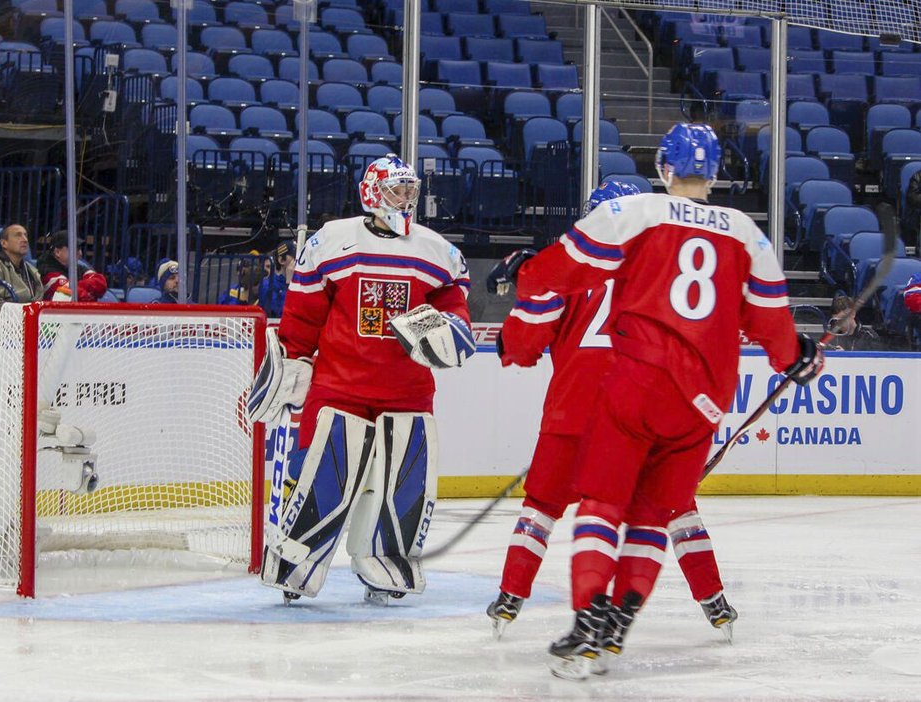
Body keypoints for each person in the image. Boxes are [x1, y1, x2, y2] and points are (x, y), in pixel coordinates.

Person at [501, 123, 823, 679]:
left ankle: (588, 618)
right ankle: (622, 618)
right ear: (717, 172)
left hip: (638, 384)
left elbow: (560, 270)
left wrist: (522, 273)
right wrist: (797, 355)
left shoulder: (643, 212)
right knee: (652, 516)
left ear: (663, 168)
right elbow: (772, 324)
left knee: (601, 503)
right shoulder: (747, 232)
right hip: (704, 401)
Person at [486, 181, 738, 643]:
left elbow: (523, 342)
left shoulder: (570, 273)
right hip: (642, 418)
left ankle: (510, 596)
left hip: (571, 415)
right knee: (674, 510)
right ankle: (714, 601)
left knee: (541, 508)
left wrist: (510, 333)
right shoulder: (665, 279)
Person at [246, 154, 474, 605]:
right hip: (340, 386)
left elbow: (455, 309)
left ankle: (387, 567)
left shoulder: (435, 250)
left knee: (403, 483)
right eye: (396, 190)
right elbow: (304, 310)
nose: (405, 199)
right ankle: (297, 563)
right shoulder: (334, 240)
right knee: (323, 474)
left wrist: (446, 330)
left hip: (407, 391)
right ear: (372, 193)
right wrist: (293, 358)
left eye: (410, 190)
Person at [0, 224, 44, 313]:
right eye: (18, 235)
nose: (25, 240)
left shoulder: (30, 270)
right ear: (4, 243)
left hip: (25, 322)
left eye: (25, 235)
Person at [36, 231, 108, 302]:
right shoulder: (46, 272)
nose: (80, 253)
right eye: (74, 248)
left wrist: (75, 286)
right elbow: (75, 297)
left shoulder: (78, 267)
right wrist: (88, 289)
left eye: (79, 249)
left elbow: (101, 283)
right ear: (57, 252)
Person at [257, 243, 292, 317]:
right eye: (294, 257)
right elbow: (279, 314)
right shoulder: (268, 284)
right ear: (281, 260)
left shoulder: (303, 281)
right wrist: (288, 285)